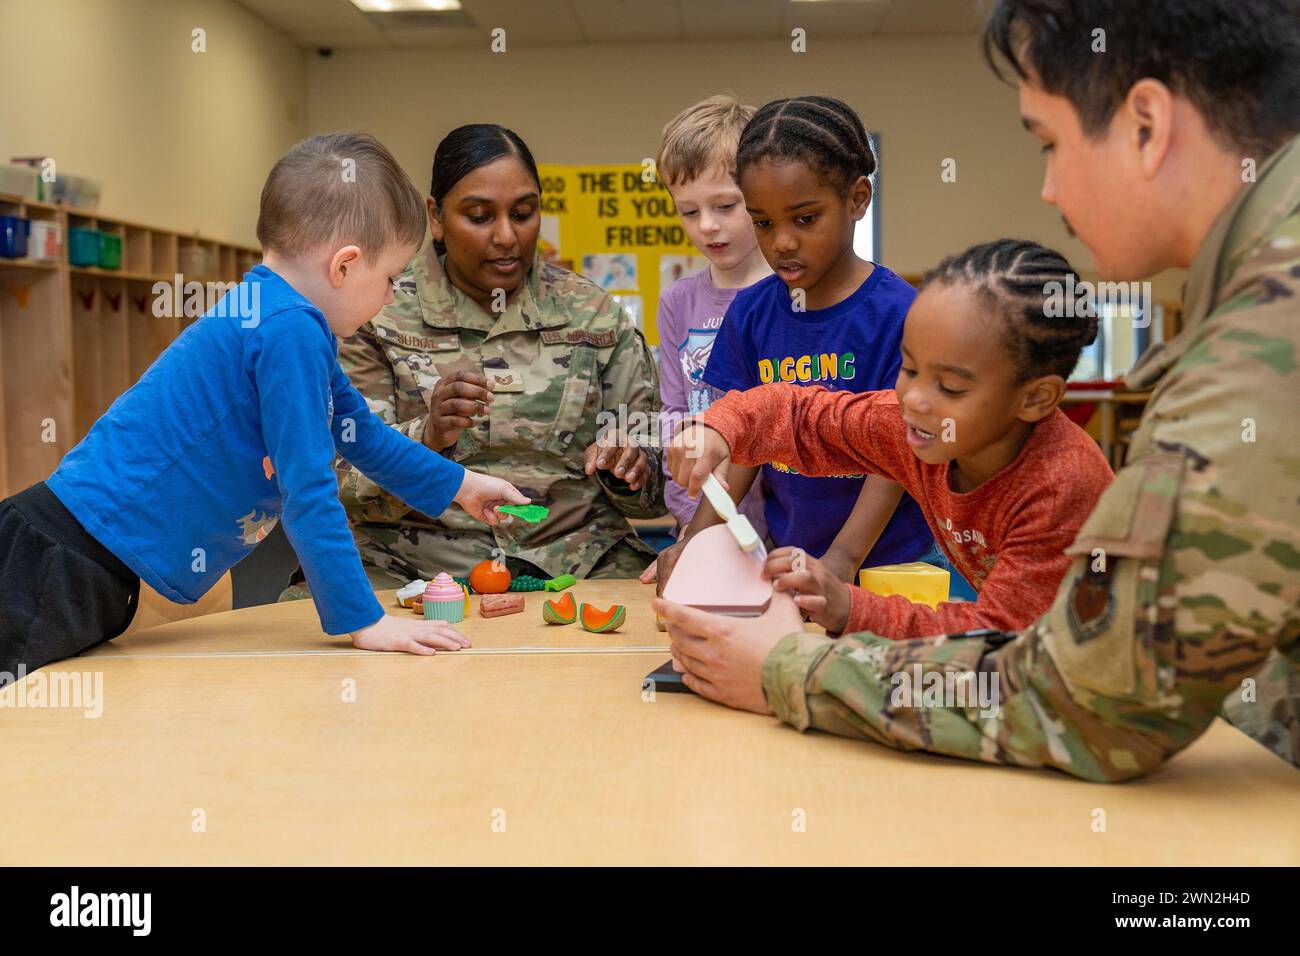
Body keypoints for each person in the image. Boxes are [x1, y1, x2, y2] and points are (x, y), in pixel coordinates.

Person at [654, 0, 1300, 779]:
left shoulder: (1267, 337)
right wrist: (728, 427)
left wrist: (789, 671)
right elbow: (810, 415)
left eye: (1050, 144)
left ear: (1146, 124)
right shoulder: (1256, 289)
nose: (1051, 190)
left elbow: (1094, 704)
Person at [0, 132, 527, 674]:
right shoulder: (286, 329)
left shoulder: (284, 318)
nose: (393, 296)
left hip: (79, 555)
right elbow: (308, 488)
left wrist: (461, 487)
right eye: (391, 278)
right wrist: (363, 620)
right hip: (57, 560)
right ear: (344, 266)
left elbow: (361, 436)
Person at [281, 124, 665, 598]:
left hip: (578, 557)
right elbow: (332, 478)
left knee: (661, 621)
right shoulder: (374, 312)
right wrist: (429, 435)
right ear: (436, 217)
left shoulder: (594, 316)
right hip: (409, 562)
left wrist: (630, 467)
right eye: (480, 216)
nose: (506, 236)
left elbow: (662, 492)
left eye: (523, 214)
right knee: (314, 620)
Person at [677, 238, 1113, 638]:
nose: (916, 400)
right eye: (909, 369)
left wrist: (850, 607)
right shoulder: (922, 428)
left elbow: (997, 637)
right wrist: (719, 428)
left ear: (1037, 398)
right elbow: (800, 414)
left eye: (951, 387)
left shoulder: (1060, 486)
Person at [657, 95, 937, 597]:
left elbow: (896, 458)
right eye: (763, 222)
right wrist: (696, 538)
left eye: (805, 219)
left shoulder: (900, 313)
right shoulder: (751, 313)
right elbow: (744, 446)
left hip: (893, 566)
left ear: (857, 199)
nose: (782, 241)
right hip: (794, 559)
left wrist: (843, 560)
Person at [639, 94, 771, 586]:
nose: (707, 226)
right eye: (689, 211)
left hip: (774, 526)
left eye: (725, 205)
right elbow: (674, 406)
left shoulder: (785, 297)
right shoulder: (677, 302)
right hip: (696, 516)